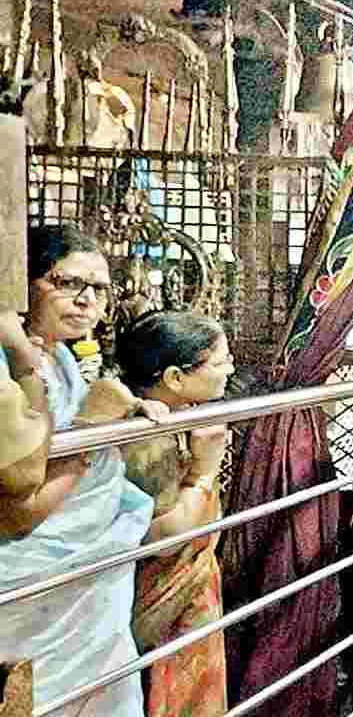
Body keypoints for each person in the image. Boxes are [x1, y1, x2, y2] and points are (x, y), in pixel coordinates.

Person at [0, 223, 154, 716]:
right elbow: (19, 514)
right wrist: (94, 426)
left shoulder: (62, 358)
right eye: (67, 283)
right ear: (25, 285)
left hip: (87, 574)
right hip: (30, 575)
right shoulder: (8, 363)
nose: (87, 301)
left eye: (100, 290)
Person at [100, 311, 233, 717]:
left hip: (191, 590)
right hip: (164, 605)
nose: (230, 370)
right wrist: (204, 472)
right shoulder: (148, 438)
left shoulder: (179, 417)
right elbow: (164, 537)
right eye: (220, 362)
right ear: (175, 377)